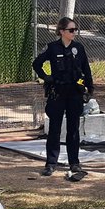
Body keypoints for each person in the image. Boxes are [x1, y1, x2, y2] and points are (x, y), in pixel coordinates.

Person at [32, 17, 94, 182]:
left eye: (75, 30)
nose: (74, 33)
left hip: (74, 93)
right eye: (71, 30)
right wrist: (46, 77)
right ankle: (51, 163)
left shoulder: (78, 48)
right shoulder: (52, 48)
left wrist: (90, 89)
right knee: (55, 129)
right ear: (62, 32)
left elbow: (86, 70)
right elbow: (37, 63)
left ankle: (74, 163)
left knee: (73, 130)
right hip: (58, 93)